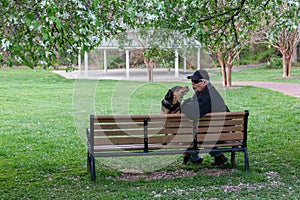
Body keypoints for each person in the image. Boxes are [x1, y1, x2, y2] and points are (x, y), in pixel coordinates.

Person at [181, 69, 229, 165]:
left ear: (204, 82)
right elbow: (191, 103)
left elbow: (192, 113)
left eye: (195, 81)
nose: (193, 84)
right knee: (195, 134)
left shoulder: (208, 96)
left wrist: (184, 105)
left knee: (197, 136)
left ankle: (217, 156)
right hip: (219, 128)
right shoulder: (204, 92)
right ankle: (195, 157)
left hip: (221, 132)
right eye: (192, 81)